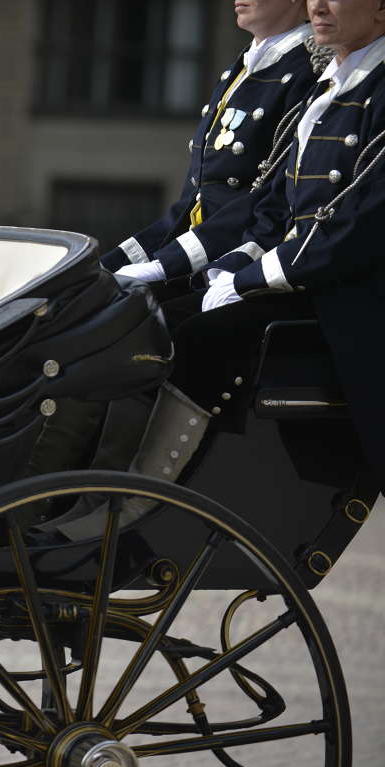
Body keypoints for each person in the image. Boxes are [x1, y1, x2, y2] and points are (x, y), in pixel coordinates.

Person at [119, 0, 385, 492]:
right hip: (307, 282)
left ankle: (142, 496)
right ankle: (114, 488)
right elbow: (269, 205)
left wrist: (247, 281)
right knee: (154, 322)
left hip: (351, 303)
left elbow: (354, 229)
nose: (319, 6)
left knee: (195, 336)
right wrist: (224, 268)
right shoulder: (333, 84)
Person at [103, 0, 319, 274]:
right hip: (202, 251)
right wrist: (113, 264)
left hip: (239, 260)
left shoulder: (308, 70)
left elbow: (270, 200)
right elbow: (195, 201)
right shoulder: (241, 68)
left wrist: (165, 267)